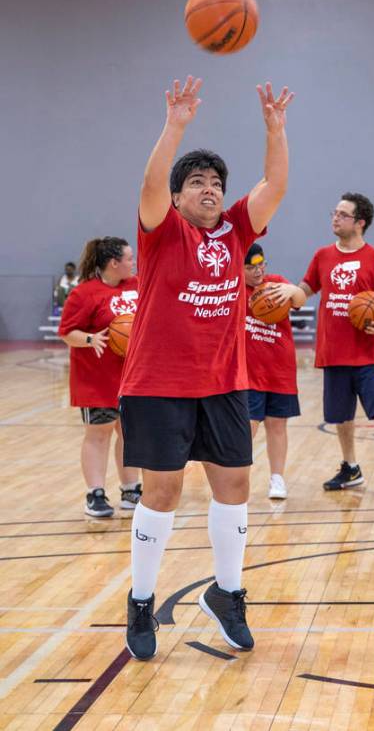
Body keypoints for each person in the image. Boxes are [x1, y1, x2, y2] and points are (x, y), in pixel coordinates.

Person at [119, 76, 294, 661]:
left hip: (223, 382)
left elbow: (275, 184)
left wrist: (275, 129)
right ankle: (141, 601)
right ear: (177, 198)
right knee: (163, 493)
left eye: (216, 182)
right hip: (157, 383)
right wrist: (175, 126)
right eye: (197, 183)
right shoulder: (163, 232)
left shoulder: (239, 229)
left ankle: (228, 593)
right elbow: (148, 185)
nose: (210, 190)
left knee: (236, 487)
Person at [300, 193, 374, 494]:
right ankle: (351, 467)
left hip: (368, 352)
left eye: (343, 214)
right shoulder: (322, 256)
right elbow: (306, 288)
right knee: (341, 415)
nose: (335, 217)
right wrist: (285, 296)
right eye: (334, 212)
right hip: (333, 351)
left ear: (360, 223)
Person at [58, 237, 141, 518]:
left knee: (130, 435)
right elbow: (68, 332)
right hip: (96, 378)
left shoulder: (138, 286)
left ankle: (131, 489)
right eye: (130, 258)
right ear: (114, 263)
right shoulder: (84, 293)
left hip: (133, 378)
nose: (134, 262)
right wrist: (91, 338)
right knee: (98, 436)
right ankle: (95, 494)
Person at [243, 244, 306, 499]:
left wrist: (294, 290)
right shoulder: (234, 290)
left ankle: (277, 479)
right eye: (250, 267)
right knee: (248, 427)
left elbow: (300, 300)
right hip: (248, 372)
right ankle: (238, 479)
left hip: (280, 368)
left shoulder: (276, 283)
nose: (258, 271)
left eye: (261, 265)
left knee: (278, 425)